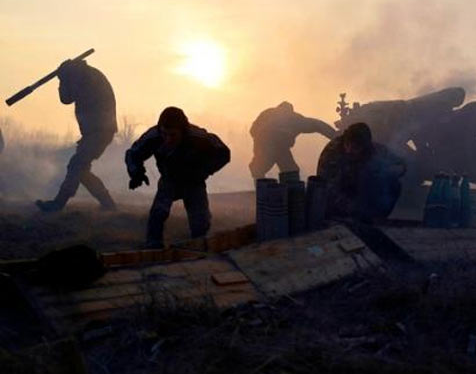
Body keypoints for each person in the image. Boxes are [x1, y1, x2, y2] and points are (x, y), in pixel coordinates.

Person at [125, 107, 230, 248]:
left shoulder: (198, 137)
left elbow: (223, 152)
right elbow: (133, 154)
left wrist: (204, 170)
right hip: (169, 180)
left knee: (200, 222)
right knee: (157, 214)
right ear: (160, 129)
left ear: (183, 131)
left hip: (194, 182)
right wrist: (136, 173)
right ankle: (153, 247)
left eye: (173, 135)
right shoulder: (154, 136)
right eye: (164, 134)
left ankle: (200, 247)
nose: (168, 139)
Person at [36, 59, 117, 212]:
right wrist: (65, 78)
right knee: (81, 170)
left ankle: (58, 204)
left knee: (76, 165)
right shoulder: (88, 75)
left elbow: (66, 98)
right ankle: (108, 204)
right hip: (96, 132)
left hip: (99, 132)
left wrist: (62, 80)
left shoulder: (83, 78)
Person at [317, 122, 406, 223]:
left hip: (361, 195)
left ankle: (376, 219)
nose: (349, 150)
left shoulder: (374, 150)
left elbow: (401, 165)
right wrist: (356, 209)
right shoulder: (332, 153)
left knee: (394, 184)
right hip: (338, 203)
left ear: (365, 147)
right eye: (347, 145)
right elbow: (329, 189)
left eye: (355, 148)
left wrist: (386, 173)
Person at [249, 101, 336, 179]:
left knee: (264, 169)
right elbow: (318, 125)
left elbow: (252, 131)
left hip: (271, 146)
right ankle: (291, 192)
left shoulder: (267, 113)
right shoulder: (295, 119)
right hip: (271, 146)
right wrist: (335, 136)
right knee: (287, 170)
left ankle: (265, 190)